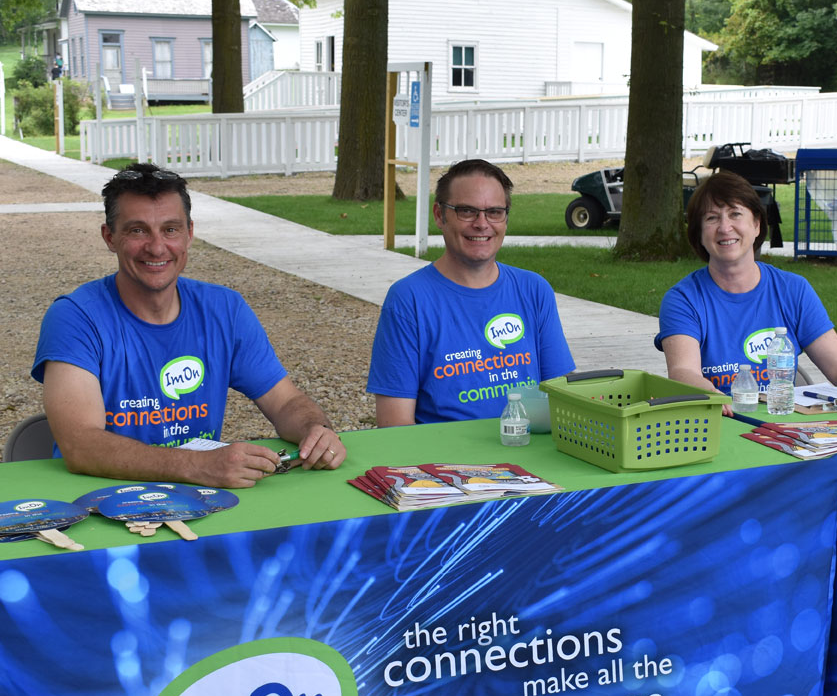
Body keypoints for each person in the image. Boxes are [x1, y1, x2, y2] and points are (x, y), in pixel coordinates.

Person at [32, 163, 346, 488]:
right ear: (110, 237)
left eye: (170, 229)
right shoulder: (75, 317)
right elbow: (81, 447)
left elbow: (285, 402)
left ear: (189, 234)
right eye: (137, 230)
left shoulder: (225, 309)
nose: (156, 247)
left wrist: (315, 430)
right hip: (96, 502)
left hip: (197, 502)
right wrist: (197, 466)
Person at [655, 170, 837, 416]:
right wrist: (715, 398)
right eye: (711, 218)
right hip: (718, 422)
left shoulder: (793, 289)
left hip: (783, 427)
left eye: (735, 214)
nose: (724, 227)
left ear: (757, 224)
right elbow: (683, 372)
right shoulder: (683, 299)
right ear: (699, 233)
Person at [367, 159, 575, 425]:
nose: (482, 223)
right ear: (440, 215)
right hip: (444, 463)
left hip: (528, 455)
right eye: (467, 211)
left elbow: (562, 400)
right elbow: (395, 428)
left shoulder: (533, 290)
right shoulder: (409, 300)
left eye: (494, 212)